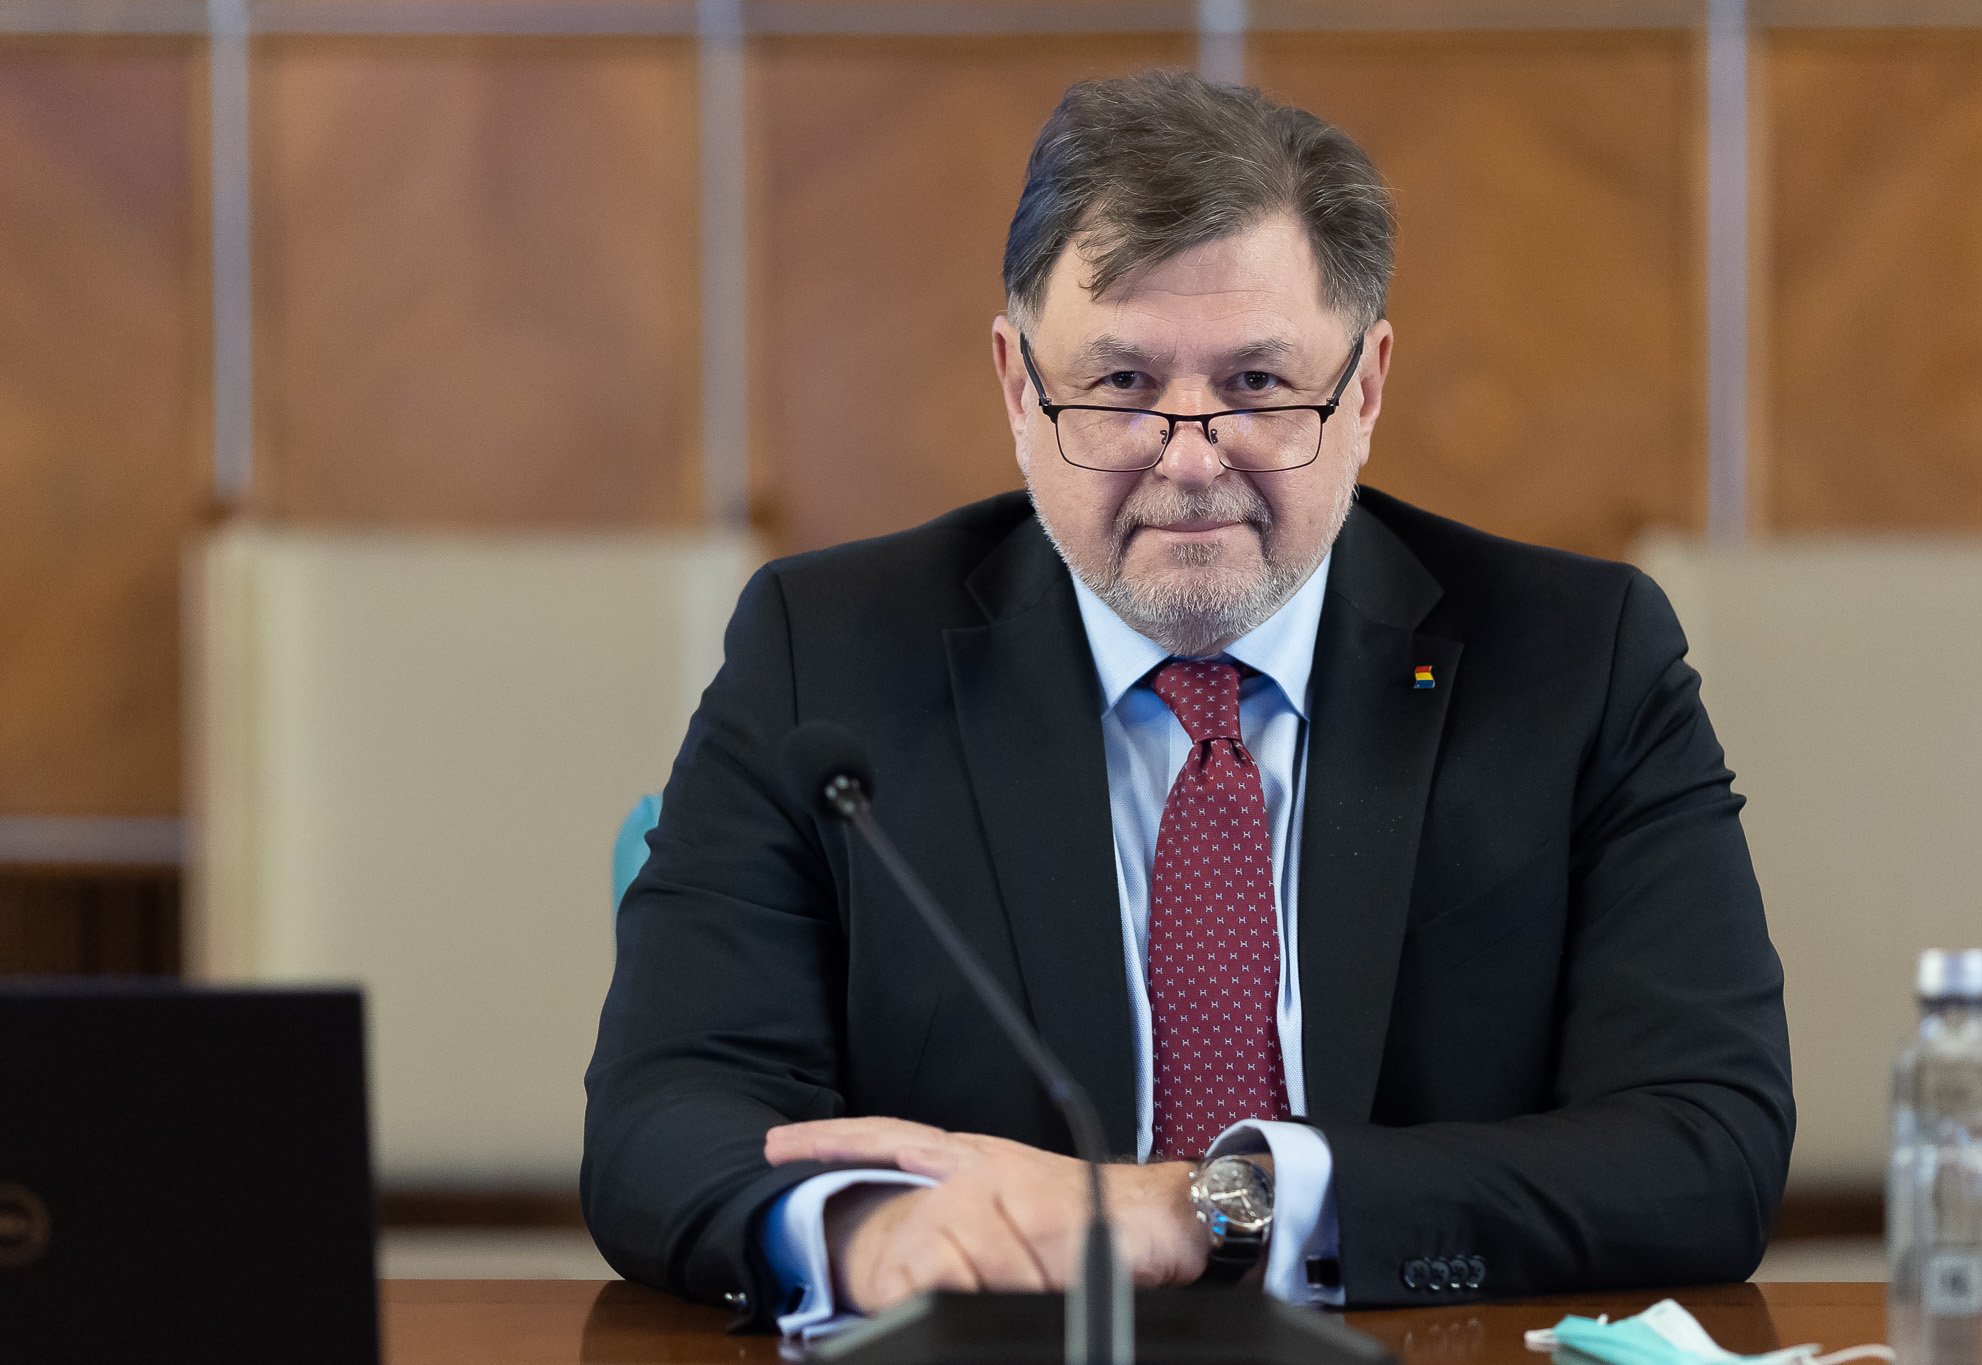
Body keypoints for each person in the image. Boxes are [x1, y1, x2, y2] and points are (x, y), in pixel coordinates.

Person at [582, 71, 1794, 1335]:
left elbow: (1705, 1143)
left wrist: (1204, 1208)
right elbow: (661, 1117)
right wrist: (870, 1234)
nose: (1191, 457)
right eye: (1118, 384)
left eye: (1258, 383)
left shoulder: (1576, 661)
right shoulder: (824, 653)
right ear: (1016, 387)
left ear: (1365, 388)